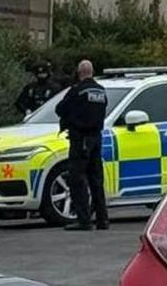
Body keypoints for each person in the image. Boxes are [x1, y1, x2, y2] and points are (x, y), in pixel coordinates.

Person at [56, 59, 109, 231]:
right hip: (96, 139)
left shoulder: (77, 91)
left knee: (77, 179)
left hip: (80, 140)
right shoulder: (101, 91)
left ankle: (84, 220)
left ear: (79, 73)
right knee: (96, 180)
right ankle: (102, 219)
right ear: (92, 72)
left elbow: (60, 109)